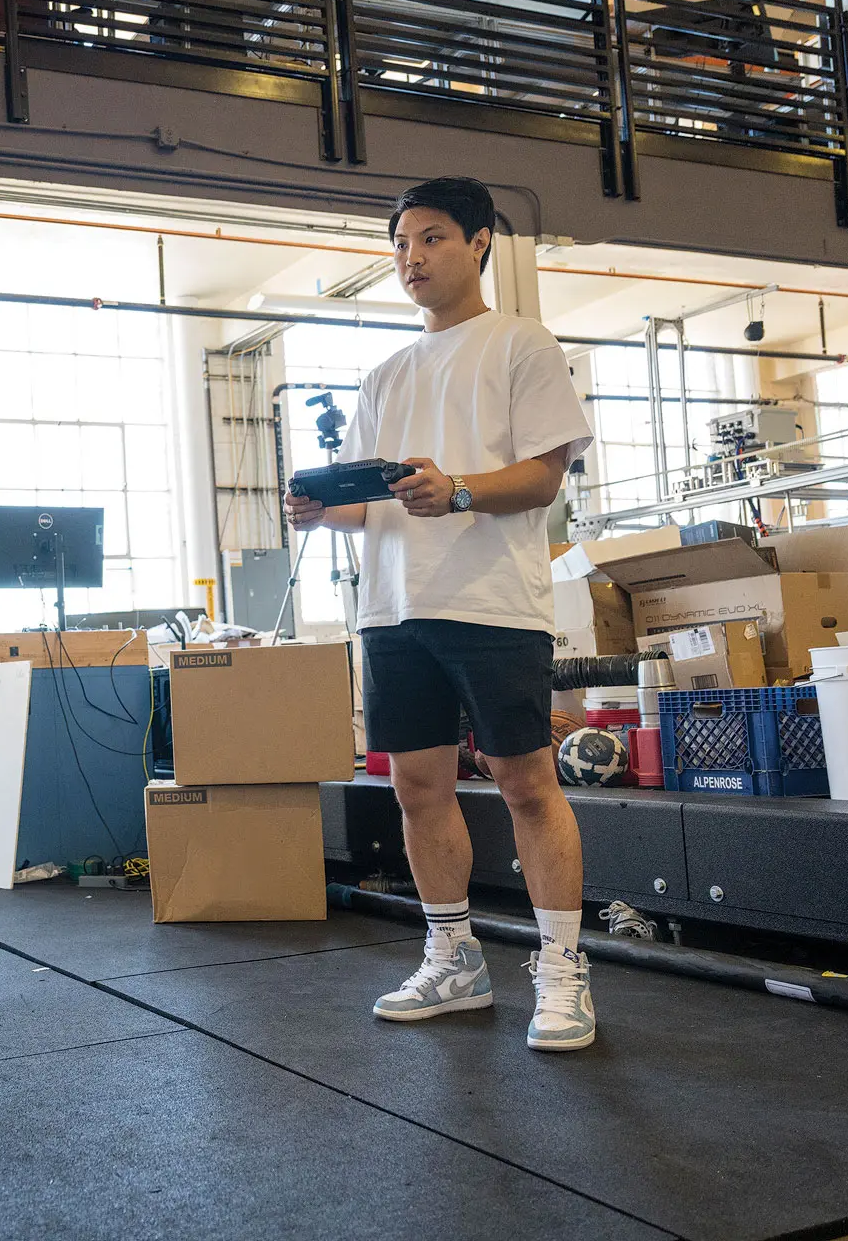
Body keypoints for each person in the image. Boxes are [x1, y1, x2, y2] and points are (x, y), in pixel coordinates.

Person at [283, 177, 598, 1051]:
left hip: (493, 604)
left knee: (527, 785)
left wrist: (458, 489)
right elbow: (364, 500)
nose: (410, 258)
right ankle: (453, 959)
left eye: (430, 238)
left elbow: (543, 475)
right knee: (418, 789)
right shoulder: (385, 374)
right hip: (392, 607)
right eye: (399, 245)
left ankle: (565, 970)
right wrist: (319, 509)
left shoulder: (520, 343)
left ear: (480, 242)